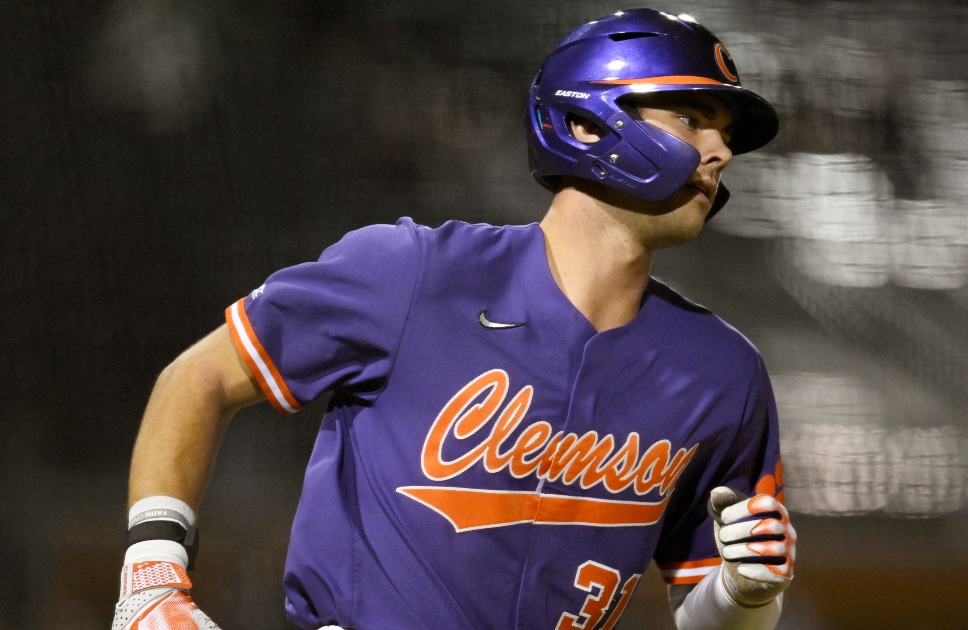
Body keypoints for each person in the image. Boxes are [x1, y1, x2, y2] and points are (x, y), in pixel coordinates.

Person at [112, 9, 796, 630]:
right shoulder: (413, 273)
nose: (720, 151)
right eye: (692, 117)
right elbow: (198, 378)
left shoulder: (723, 373)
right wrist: (151, 574)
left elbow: (707, 615)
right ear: (587, 122)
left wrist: (746, 596)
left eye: (725, 133)